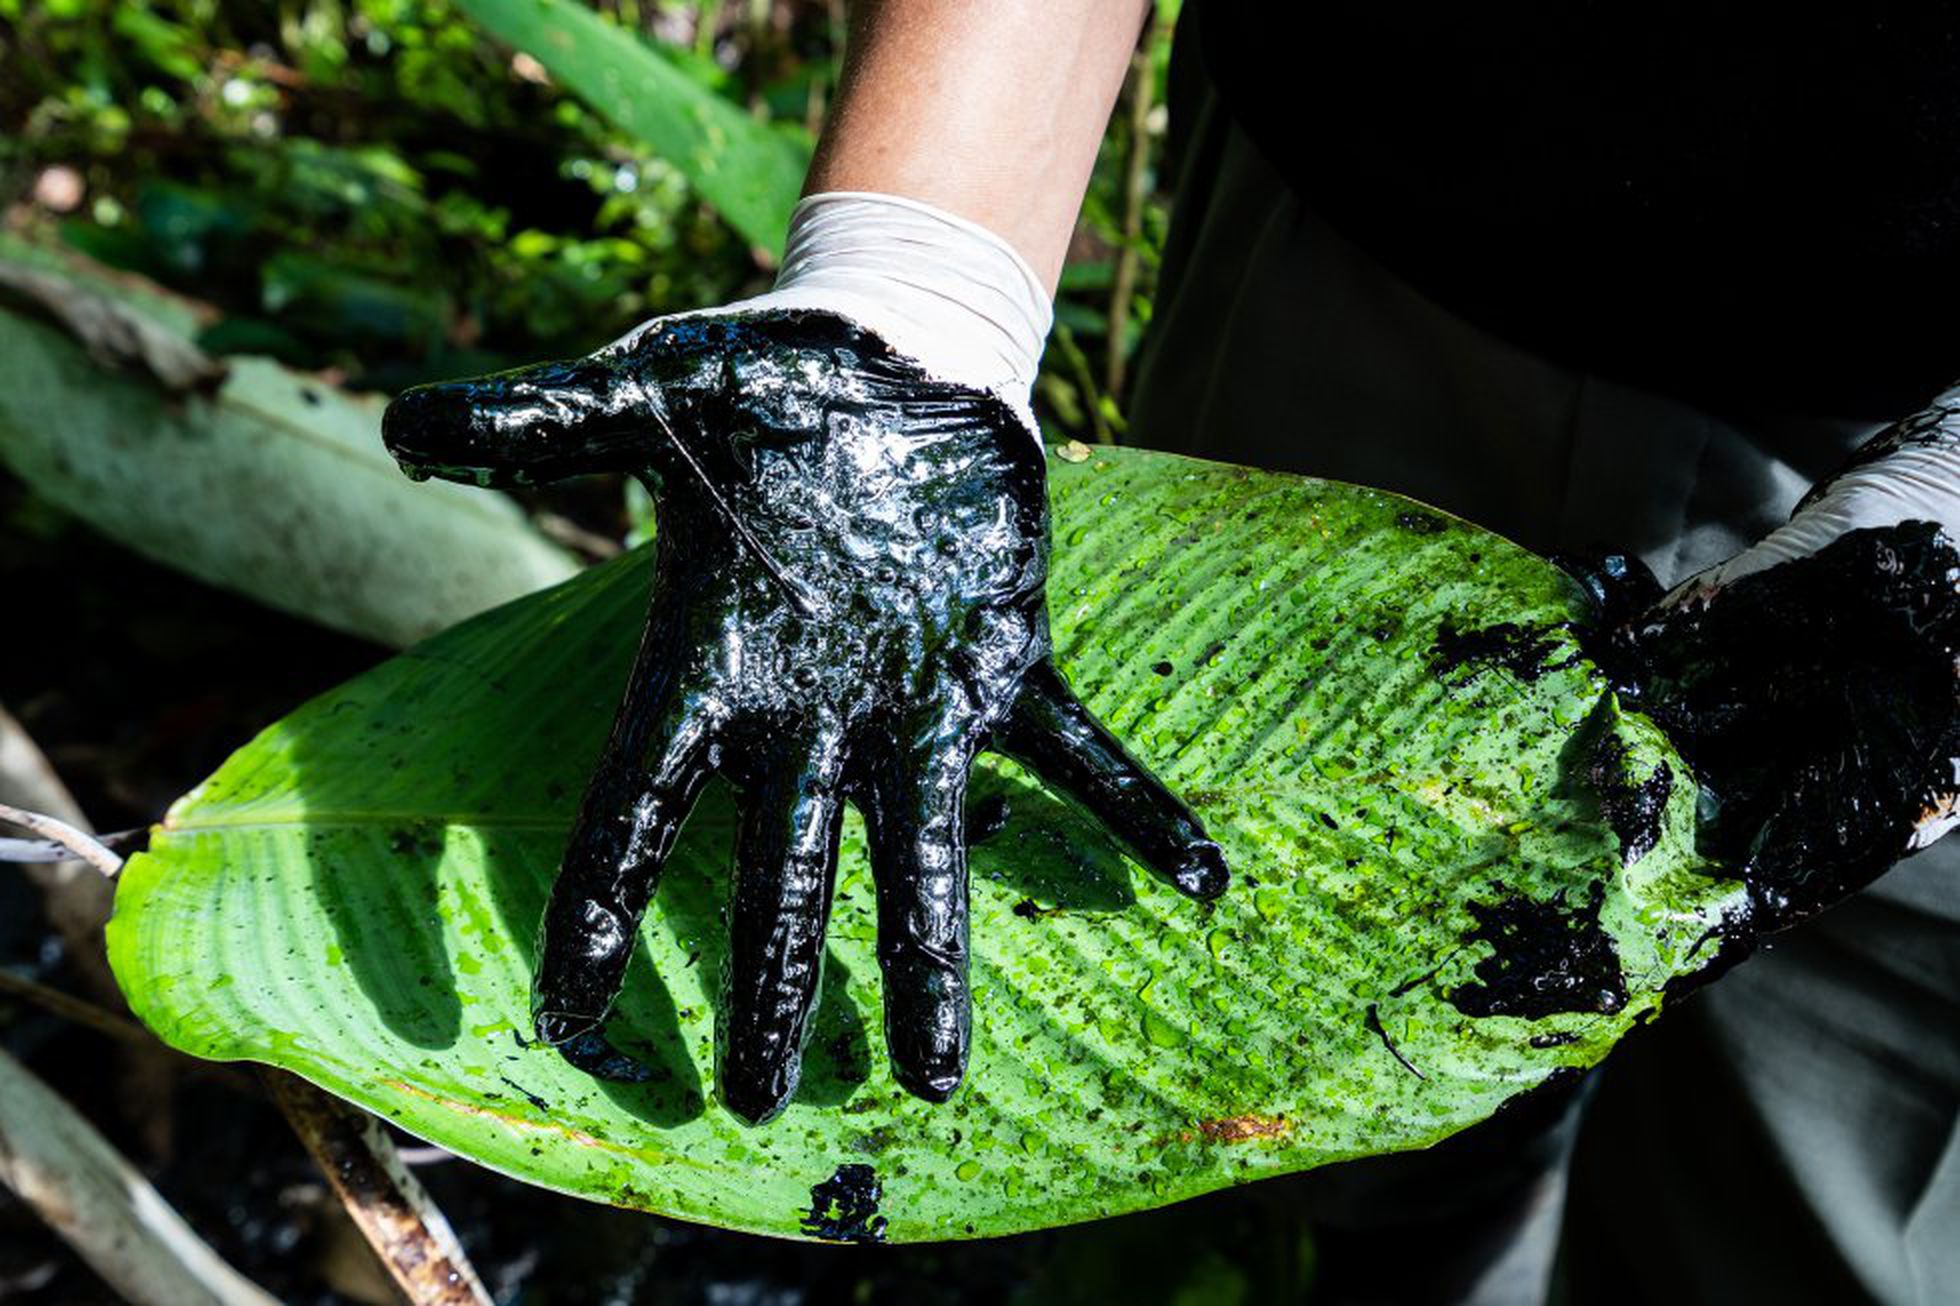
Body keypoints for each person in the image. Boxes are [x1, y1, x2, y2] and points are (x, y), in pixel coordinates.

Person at [384, 3, 1960, 1301]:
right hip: (1369, 242)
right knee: (1281, 1085)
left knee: (1812, 1223)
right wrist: (917, 279)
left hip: (1923, 408)